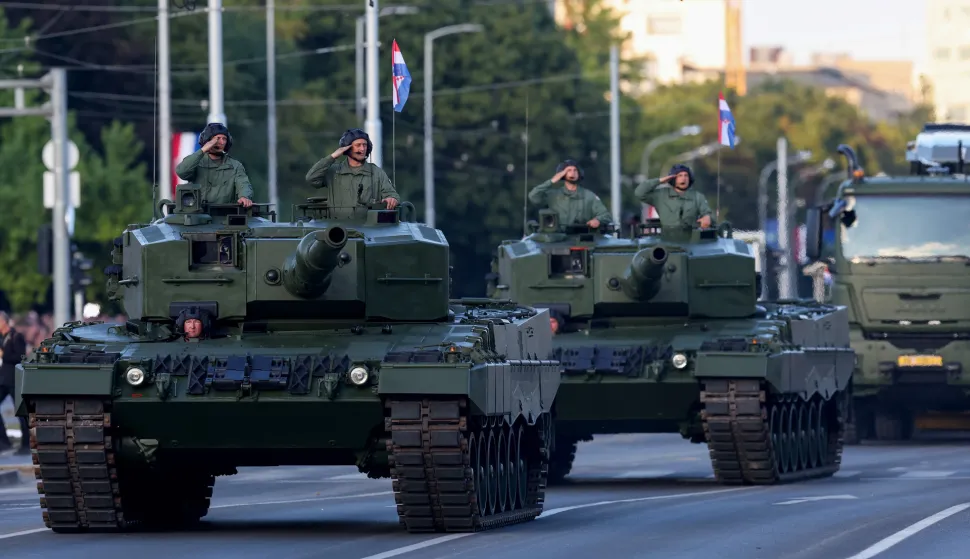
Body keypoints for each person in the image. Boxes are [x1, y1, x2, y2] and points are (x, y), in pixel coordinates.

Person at [304, 128, 400, 220]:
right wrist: (332, 156)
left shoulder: (376, 172)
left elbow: (391, 194)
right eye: (358, 145)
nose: (362, 149)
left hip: (368, 226)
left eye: (365, 145)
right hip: (337, 226)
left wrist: (391, 199)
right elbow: (311, 178)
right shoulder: (334, 171)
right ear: (347, 148)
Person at [175, 122, 255, 208]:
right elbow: (181, 171)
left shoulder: (235, 166)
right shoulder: (196, 163)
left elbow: (243, 183)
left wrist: (244, 196)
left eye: (224, 139)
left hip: (225, 212)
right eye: (217, 139)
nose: (221, 142)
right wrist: (203, 150)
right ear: (208, 140)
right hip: (198, 212)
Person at [528, 159, 611, 229]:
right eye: (568, 170)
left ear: (579, 173)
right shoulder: (553, 195)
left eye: (575, 170)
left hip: (582, 237)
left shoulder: (589, 196)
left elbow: (605, 215)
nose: (573, 173)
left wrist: (597, 220)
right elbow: (533, 196)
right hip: (556, 237)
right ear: (562, 174)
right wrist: (551, 181)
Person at [633, 163, 713, 230]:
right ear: (673, 178)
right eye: (680, 176)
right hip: (667, 238)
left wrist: (707, 217)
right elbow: (640, 193)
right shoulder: (661, 195)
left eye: (686, 175)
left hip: (691, 238)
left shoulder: (697, 197)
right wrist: (660, 181)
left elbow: (706, 212)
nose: (684, 178)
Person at [0, 312, 29, 455]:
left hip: (13, 379)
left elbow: (20, 356)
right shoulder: (2, 338)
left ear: (4, 322)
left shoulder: (16, 337)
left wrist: (3, 354)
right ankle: (3, 441)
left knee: (21, 413)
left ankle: (26, 444)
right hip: (3, 380)